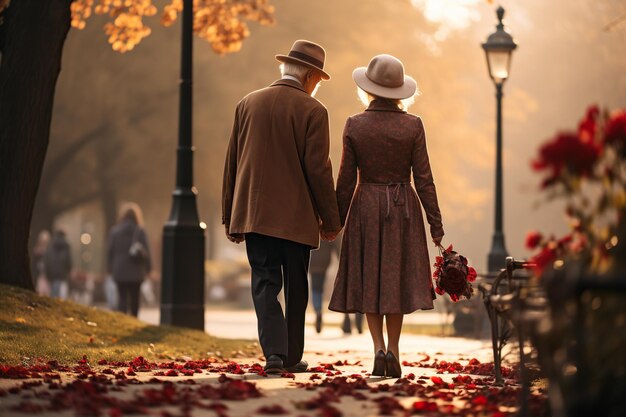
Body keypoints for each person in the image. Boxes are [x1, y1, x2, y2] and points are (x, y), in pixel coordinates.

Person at [222, 40, 341, 374]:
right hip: (296, 218)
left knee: (264, 283)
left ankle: (273, 353)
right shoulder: (313, 111)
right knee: (297, 286)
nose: (316, 87)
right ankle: (291, 354)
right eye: (317, 80)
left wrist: (230, 215)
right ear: (309, 77)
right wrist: (331, 220)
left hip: (255, 214)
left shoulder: (247, 103)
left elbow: (232, 162)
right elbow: (318, 170)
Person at [329, 55, 444, 378]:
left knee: (370, 278)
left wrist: (335, 222)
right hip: (402, 209)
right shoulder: (413, 125)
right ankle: (394, 349)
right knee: (395, 280)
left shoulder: (354, 125)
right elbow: (424, 178)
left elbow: (345, 180)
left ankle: (378, 348)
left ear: (369, 89)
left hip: (365, 205)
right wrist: (435, 223)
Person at [309, 237, 363, 334]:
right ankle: (355, 316)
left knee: (316, 288)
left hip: (313, 258)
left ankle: (318, 311)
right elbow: (336, 244)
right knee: (353, 288)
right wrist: (341, 258)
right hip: (327, 258)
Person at [107, 202, 151, 317]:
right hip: (136, 272)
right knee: (135, 298)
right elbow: (146, 251)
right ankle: (134, 319)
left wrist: (110, 269)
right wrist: (149, 268)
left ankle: (122, 319)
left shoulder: (114, 232)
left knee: (122, 298)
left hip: (119, 270)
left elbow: (110, 252)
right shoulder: (140, 231)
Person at [43, 229, 72, 298]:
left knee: (53, 288)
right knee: (58, 288)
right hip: (61, 272)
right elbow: (68, 260)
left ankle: (53, 300)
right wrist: (68, 270)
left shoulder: (50, 245)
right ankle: (54, 300)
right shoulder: (66, 246)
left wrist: (46, 272)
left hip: (51, 271)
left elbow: (47, 259)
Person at [32, 230, 51, 296]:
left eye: (45, 241)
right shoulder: (37, 251)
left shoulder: (49, 251)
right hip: (39, 276)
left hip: (47, 276)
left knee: (47, 292)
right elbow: (34, 264)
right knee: (39, 291)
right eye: (42, 240)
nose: (44, 242)